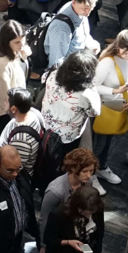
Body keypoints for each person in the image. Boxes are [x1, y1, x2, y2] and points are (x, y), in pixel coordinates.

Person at [39, 52, 101, 183]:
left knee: (44, 159)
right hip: (67, 137)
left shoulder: (53, 74)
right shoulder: (86, 94)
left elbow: (43, 79)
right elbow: (94, 112)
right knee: (62, 164)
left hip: (46, 127)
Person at [90, 30, 128, 188]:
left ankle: (102, 167)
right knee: (98, 144)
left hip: (116, 107)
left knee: (108, 141)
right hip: (102, 108)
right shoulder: (108, 61)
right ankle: (90, 173)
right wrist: (115, 91)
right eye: (126, 53)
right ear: (119, 47)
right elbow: (93, 86)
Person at [39, 148, 98, 245]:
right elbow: (44, 219)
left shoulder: (88, 182)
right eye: (85, 171)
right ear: (72, 168)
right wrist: (44, 245)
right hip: (58, 236)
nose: (88, 175)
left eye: (91, 171)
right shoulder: (55, 191)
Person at [43, 0, 101, 69]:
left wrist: (92, 44)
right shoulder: (61, 26)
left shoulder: (79, 11)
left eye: (91, 9)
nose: (88, 13)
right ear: (74, 2)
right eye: (85, 8)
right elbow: (56, 63)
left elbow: (84, 35)